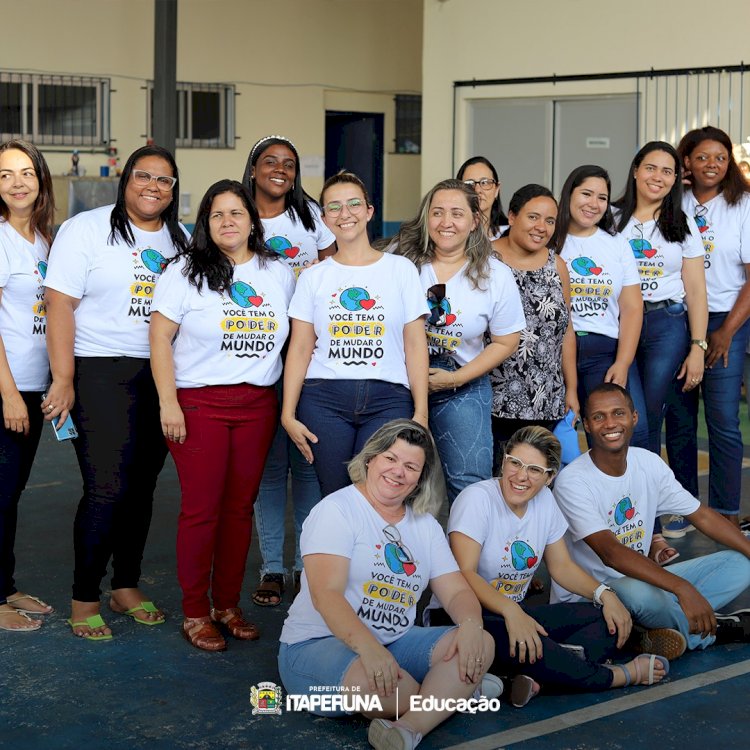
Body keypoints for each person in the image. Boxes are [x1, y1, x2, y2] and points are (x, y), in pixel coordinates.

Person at [278, 419, 495, 750]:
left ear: (420, 478)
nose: (398, 472)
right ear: (370, 460)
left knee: (481, 641)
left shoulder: (425, 525)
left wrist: (469, 624)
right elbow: (327, 595)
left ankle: (407, 729)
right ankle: (458, 692)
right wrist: (368, 649)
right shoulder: (337, 511)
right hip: (315, 646)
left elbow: (458, 591)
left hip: (394, 642)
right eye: (390, 459)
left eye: (411, 466)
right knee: (397, 691)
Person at [44, 145, 188, 640]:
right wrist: (63, 379)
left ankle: (125, 584)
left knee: (142, 487)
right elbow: (58, 304)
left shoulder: (181, 238)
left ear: (173, 189)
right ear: (125, 181)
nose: (153, 187)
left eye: (164, 180)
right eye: (143, 176)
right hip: (98, 371)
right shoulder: (85, 229)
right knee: (107, 487)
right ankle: (85, 596)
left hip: (159, 373)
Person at [150, 180, 294, 651]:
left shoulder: (278, 271)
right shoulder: (185, 271)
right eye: (217, 215)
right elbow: (159, 338)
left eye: (236, 212)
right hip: (199, 404)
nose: (228, 221)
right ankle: (195, 611)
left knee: (238, 509)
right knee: (201, 510)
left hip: (257, 404)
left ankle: (227, 604)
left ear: (252, 219)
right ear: (206, 224)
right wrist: (168, 402)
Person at [430, 425, 670, 697]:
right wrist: (511, 611)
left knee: (604, 619)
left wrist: (605, 594)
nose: (521, 476)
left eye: (534, 470)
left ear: (549, 477)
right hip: (464, 617)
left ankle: (526, 676)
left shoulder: (545, 502)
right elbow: (466, 573)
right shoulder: (477, 499)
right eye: (515, 463)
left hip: (517, 614)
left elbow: (562, 567)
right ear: (504, 459)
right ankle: (616, 675)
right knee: (519, 640)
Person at [552, 383, 750, 654]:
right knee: (639, 593)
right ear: (586, 424)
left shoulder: (648, 462)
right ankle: (716, 629)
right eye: (599, 417)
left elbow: (701, 515)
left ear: (634, 417)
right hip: (594, 595)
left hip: (644, 578)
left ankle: (654, 626)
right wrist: (682, 588)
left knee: (741, 561)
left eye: (618, 413)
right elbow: (611, 554)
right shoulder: (573, 482)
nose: (610, 423)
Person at [282, 172, 429, 499]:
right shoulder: (313, 277)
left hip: (389, 399)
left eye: (353, 204)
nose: (344, 213)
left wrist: (421, 411)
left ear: (369, 211)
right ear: (324, 218)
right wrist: (288, 413)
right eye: (333, 207)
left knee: (379, 495)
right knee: (335, 496)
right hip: (323, 400)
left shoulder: (400, 269)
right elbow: (301, 347)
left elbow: (415, 343)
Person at [242, 135, 335, 607]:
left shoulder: (311, 217)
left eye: (289, 164)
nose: (280, 170)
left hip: (308, 354)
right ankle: (273, 569)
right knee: (270, 468)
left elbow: (329, 272)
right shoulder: (238, 212)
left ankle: (305, 567)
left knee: (307, 464)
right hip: (257, 355)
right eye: (270, 162)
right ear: (254, 168)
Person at [393, 179, 525, 504]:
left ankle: (467, 555)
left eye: (456, 213)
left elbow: (507, 341)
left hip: (462, 380)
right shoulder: (399, 264)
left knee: (470, 483)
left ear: (474, 221)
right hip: (399, 380)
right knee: (396, 480)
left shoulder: (495, 274)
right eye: (437, 213)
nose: (446, 222)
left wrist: (455, 378)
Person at [664, 126, 750, 534]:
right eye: (702, 157)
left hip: (726, 319)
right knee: (679, 418)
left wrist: (726, 332)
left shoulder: (743, 204)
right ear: (687, 162)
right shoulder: (671, 201)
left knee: (722, 420)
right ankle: (682, 505)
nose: (711, 164)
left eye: (719, 157)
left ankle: (725, 512)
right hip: (676, 318)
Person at [611, 141, 708, 458]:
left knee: (647, 417)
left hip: (664, 326)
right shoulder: (610, 219)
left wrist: (697, 346)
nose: (658, 177)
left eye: (668, 171)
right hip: (616, 325)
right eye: (650, 167)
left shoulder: (682, 222)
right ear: (636, 170)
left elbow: (695, 290)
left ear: (677, 178)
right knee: (620, 411)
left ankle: (644, 502)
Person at [0, 140, 55, 631]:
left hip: (34, 388)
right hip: (6, 389)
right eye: (5, 175)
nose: (17, 182)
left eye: (25, 173)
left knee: (10, 492)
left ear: (40, 180)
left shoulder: (42, 239)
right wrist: (9, 392)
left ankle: (5, 584)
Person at [553, 165, 647, 445]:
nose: (594, 204)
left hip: (603, 353)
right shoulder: (548, 239)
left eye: (602, 198)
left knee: (623, 434)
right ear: (569, 193)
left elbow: (631, 307)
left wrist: (623, 361)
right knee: (559, 435)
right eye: (586, 194)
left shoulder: (616, 244)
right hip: (554, 353)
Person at [490, 185, 577, 459]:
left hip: (546, 398)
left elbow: (566, 331)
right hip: (493, 399)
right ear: (512, 216)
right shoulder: (483, 258)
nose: (542, 227)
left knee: (538, 482)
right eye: (533, 217)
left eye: (550, 221)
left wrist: (571, 389)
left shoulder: (556, 265)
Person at [456, 156, 508, 240]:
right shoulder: (450, 232)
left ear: (496, 190)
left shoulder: (511, 234)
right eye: (469, 184)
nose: (477, 190)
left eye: (485, 182)